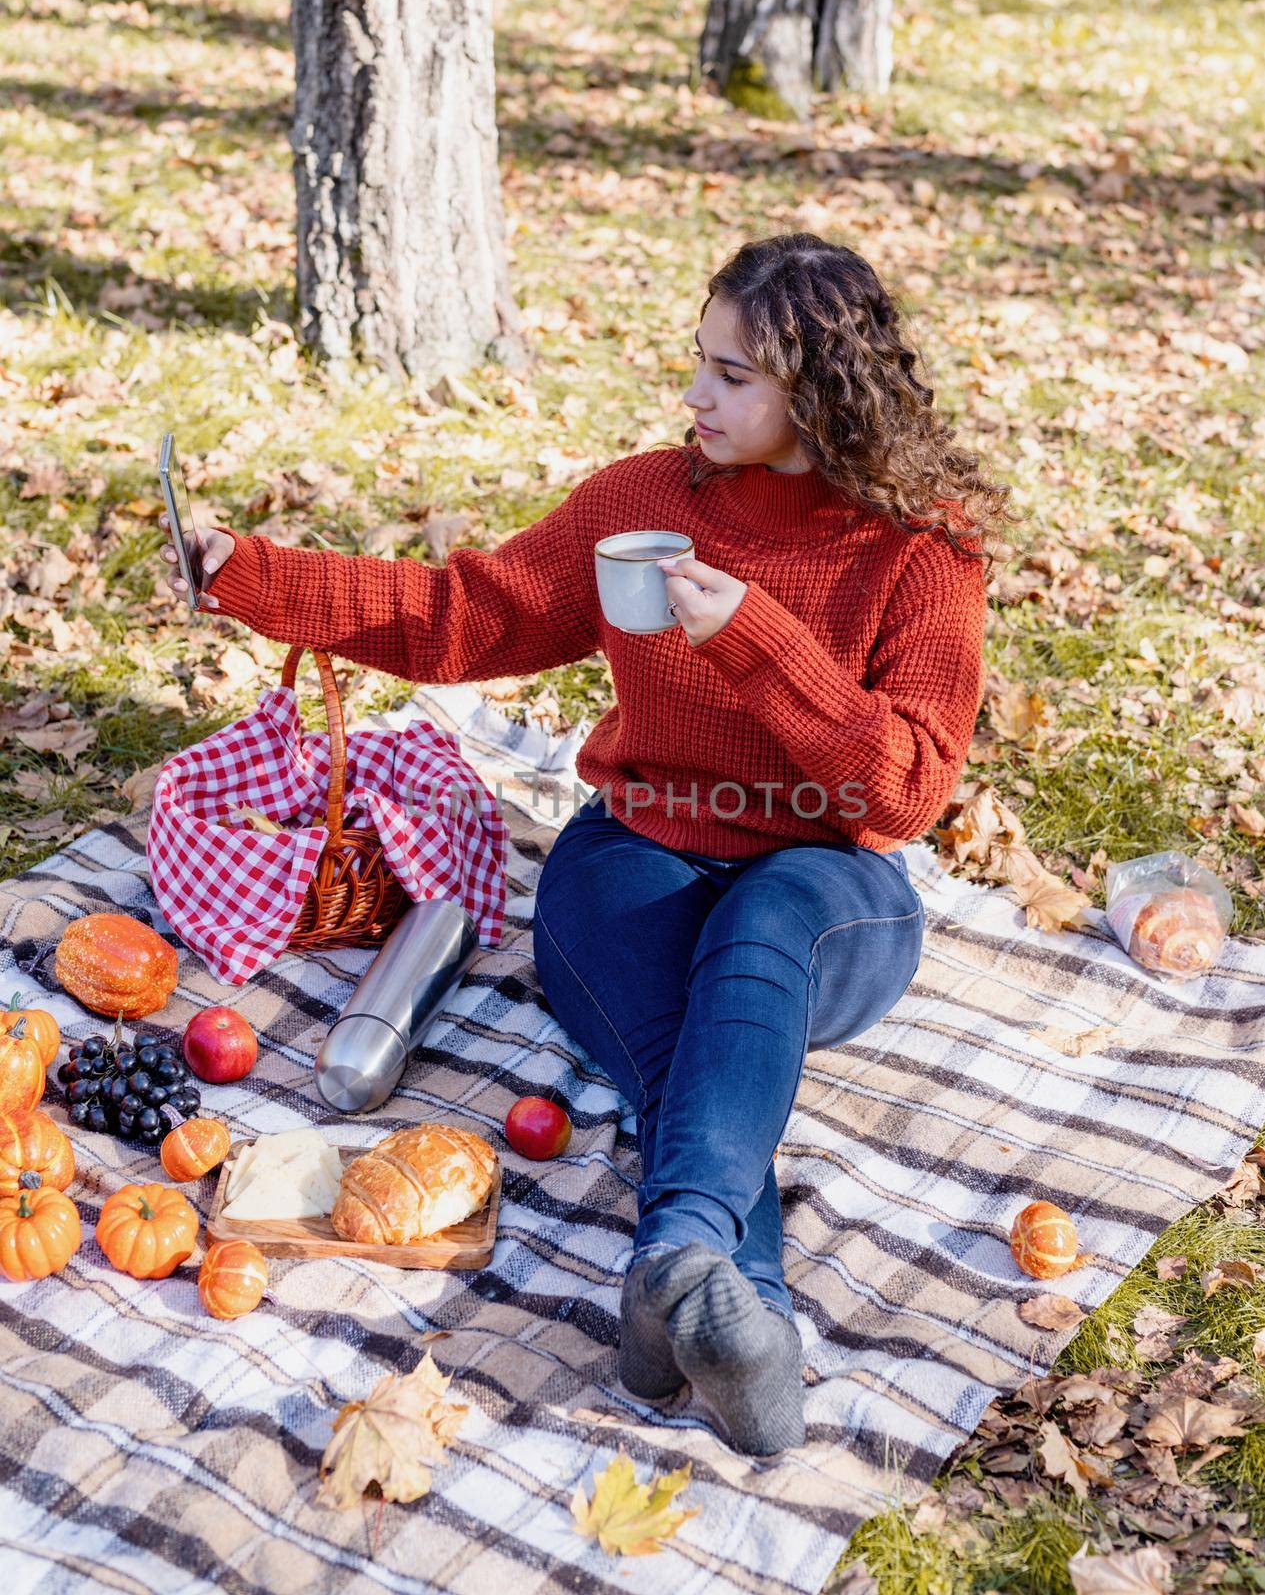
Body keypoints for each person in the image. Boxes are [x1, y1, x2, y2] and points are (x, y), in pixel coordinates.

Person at [161, 231, 1018, 1456]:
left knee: (758, 935)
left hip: (826, 883)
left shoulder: (921, 551)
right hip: (638, 846)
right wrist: (252, 573)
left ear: (820, 388)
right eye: (698, 362)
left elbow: (901, 795)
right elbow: (467, 615)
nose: (693, 396)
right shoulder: (642, 503)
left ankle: (702, 1279)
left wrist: (757, 642)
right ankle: (704, 1287)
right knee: (684, 1050)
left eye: (731, 376)